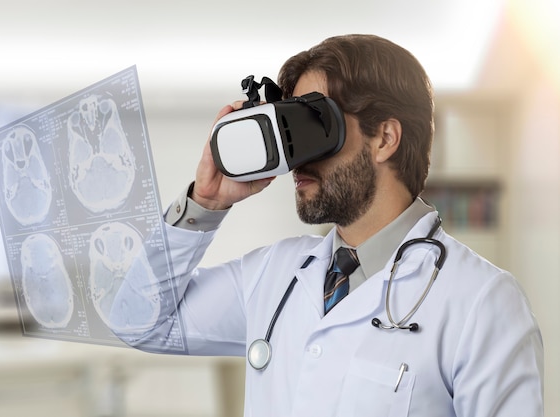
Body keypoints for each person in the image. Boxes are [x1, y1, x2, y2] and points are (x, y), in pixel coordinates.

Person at [113, 34, 544, 416]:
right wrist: (204, 202)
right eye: (289, 131)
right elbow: (139, 322)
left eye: (314, 126)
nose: (297, 159)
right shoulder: (274, 274)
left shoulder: (482, 302)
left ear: (384, 139)